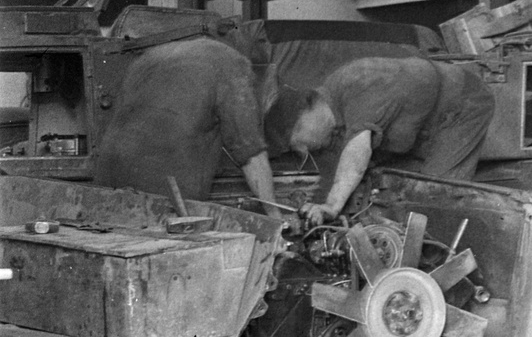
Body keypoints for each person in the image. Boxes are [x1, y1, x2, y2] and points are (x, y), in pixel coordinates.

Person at [272, 57, 495, 225]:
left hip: (463, 105)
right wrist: (317, 209)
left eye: (298, 143)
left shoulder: (357, 83)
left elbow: (356, 156)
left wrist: (330, 206)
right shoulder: (336, 120)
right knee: (403, 199)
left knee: (435, 201)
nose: (304, 151)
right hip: (423, 125)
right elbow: (335, 171)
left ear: (305, 117)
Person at [95, 36, 277, 209]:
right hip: (161, 197)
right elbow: (251, 154)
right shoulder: (233, 63)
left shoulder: (152, 56)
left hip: (105, 186)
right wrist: (275, 217)